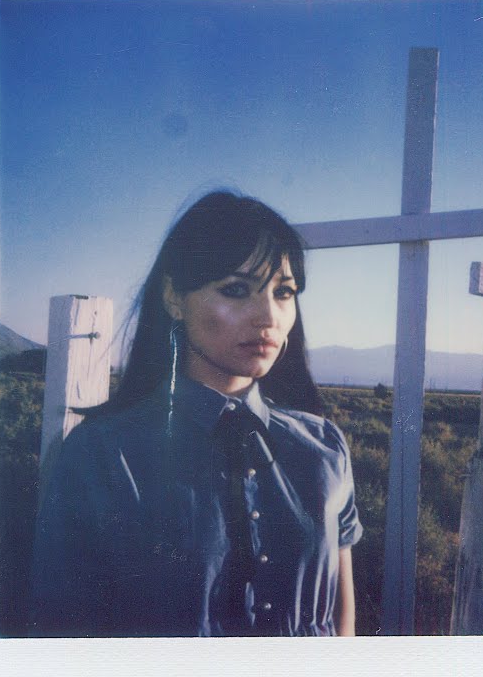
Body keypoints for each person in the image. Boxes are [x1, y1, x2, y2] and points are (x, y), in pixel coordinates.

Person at [30, 190, 363, 637]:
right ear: (174, 297)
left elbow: (341, 622)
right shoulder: (102, 455)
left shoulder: (323, 447)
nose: (268, 316)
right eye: (236, 290)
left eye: (283, 292)